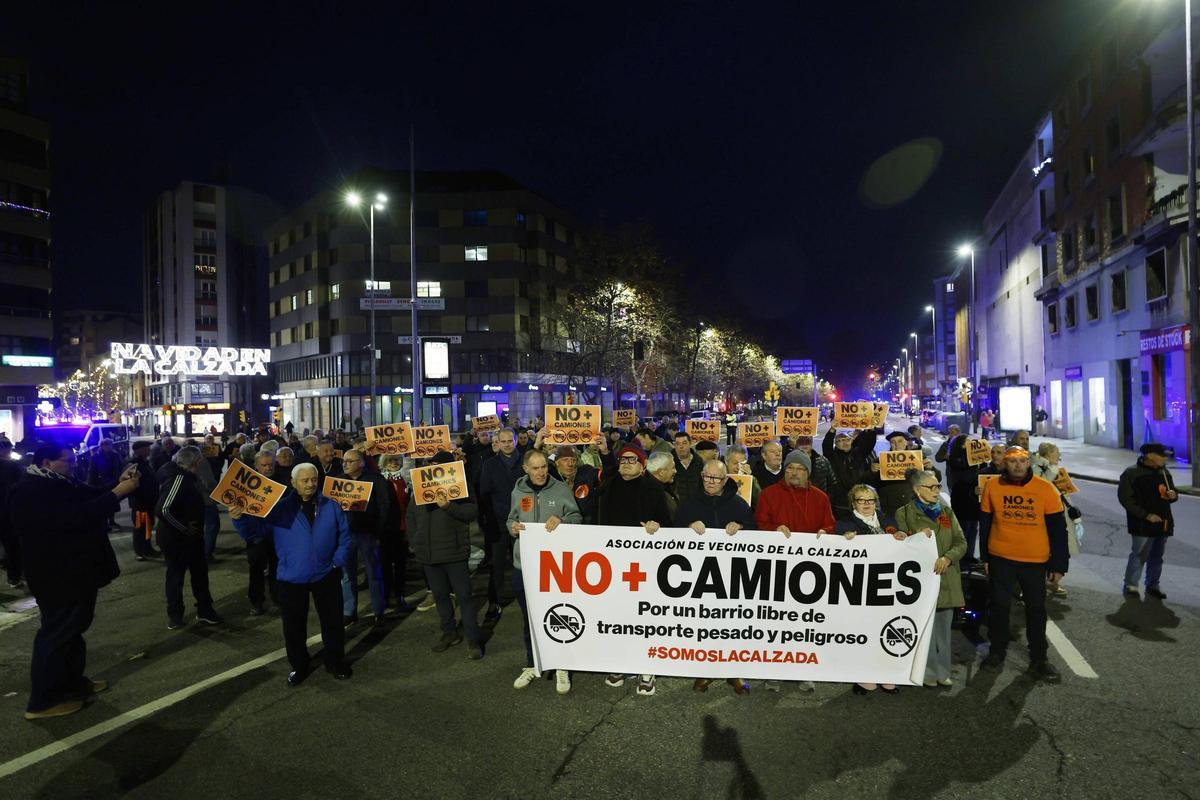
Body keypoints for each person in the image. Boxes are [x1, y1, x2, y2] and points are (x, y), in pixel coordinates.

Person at [8, 445, 140, 719]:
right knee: (56, 634)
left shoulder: (60, 482)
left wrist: (118, 483)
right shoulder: (29, 491)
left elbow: (90, 495)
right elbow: (73, 518)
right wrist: (117, 493)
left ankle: (71, 683)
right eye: (67, 461)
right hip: (57, 574)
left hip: (77, 571)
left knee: (74, 630)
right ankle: (43, 701)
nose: (73, 465)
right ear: (47, 462)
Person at [229, 462, 353, 686]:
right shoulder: (279, 509)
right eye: (304, 480)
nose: (310, 484)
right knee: (294, 626)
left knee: (333, 622)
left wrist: (337, 563)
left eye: (314, 479)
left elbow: (345, 537)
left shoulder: (331, 506)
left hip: (326, 574)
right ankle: (299, 666)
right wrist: (239, 519)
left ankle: (335, 661)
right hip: (292, 577)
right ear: (293, 483)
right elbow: (255, 533)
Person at [979, 446, 1069, 683]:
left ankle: (1039, 658)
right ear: (1004, 464)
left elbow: (1058, 530)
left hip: (1034, 561)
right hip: (1001, 558)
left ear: (1029, 462)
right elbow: (985, 524)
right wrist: (985, 558)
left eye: (1022, 461)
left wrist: (1059, 565)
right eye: (1012, 461)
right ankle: (997, 652)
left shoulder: (1045, 489)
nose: (1017, 465)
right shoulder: (992, 487)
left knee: (1036, 610)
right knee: (999, 607)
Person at [596, 443, 673, 697]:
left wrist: (656, 524)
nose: (626, 463)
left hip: (645, 565)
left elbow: (669, 525)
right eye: (623, 459)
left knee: (644, 617)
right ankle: (620, 662)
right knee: (619, 616)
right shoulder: (608, 486)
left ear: (642, 466)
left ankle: (646, 668)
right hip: (615, 562)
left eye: (632, 460)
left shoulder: (653, 489)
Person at [675, 459, 755, 695]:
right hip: (698, 576)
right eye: (707, 477)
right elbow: (672, 532)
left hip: (732, 576)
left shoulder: (739, 505)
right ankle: (704, 671)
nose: (711, 482)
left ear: (725, 480)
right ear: (701, 476)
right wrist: (688, 525)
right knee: (704, 625)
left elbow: (757, 533)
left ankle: (734, 673)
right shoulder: (689, 503)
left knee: (732, 625)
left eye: (717, 478)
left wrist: (741, 527)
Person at [508, 449, 581, 694]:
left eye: (544, 467)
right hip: (524, 565)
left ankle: (561, 666)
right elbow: (510, 519)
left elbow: (577, 518)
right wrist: (513, 528)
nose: (541, 472)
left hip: (554, 566)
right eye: (536, 468)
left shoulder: (560, 489)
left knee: (558, 616)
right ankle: (532, 663)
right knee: (529, 618)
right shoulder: (518, 491)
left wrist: (562, 521)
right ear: (526, 469)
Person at [407, 451, 484, 659]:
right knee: (441, 597)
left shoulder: (461, 486)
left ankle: (472, 639)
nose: (433, 467)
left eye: (437, 464)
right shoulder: (420, 488)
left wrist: (449, 506)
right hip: (429, 555)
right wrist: (416, 541)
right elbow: (411, 516)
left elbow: (471, 513)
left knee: (464, 598)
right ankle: (449, 633)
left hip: (454, 552)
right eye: (431, 464)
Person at [894, 471, 966, 688]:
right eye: (932, 487)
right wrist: (914, 537)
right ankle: (926, 671)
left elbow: (961, 542)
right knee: (923, 629)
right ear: (917, 490)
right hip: (919, 581)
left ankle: (943, 671)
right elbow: (901, 545)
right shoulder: (903, 513)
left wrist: (948, 558)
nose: (937, 491)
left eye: (938, 486)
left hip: (946, 579)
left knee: (943, 631)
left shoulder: (946, 511)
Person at [835, 483, 905, 695]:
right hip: (861, 587)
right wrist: (842, 541)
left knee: (886, 630)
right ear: (853, 503)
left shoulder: (888, 521)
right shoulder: (844, 525)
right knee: (863, 631)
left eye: (870, 500)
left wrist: (903, 536)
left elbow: (904, 542)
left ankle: (887, 675)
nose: (866, 504)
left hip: (888, 584)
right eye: (861, 500)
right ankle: (865, 676)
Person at [157, 446, 223, 629]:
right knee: (176, 578)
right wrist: (184, 528)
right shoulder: (179, 479)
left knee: (200, 574)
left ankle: (204, 610)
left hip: (192, 537)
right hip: (177, 540)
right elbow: (163, 510)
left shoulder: (185, 477)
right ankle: (176, 615)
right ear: (196, 462)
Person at [337, 448, 391, 625]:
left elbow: (385, 506)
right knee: (346, 574)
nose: (345, 464)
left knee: (373, 572)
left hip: (368, 532)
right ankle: (349, 611)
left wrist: (379, 530)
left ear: (360, 463)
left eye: (349, 461)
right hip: (345, 534)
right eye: (344, 461)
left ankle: (378, 609)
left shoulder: (375, 479)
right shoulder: (339, 481)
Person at [1117, 443, 1177, 599]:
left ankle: (1153, 585)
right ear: (1150, 456)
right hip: (1142, 523)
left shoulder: (1164, 472)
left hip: (1162, 521)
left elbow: (1172, 492)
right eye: (1162, 455)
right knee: (1139, 554)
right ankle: (1131, 585)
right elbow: (1126, 499)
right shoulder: (1132, 473)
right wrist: (1146, 515)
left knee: (1157, 556)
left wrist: (1173, 495)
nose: (1165, 458)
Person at [479, 428, 524, 623]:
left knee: (524, 564)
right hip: (498, 524)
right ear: (497, 442)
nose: (507, 444)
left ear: (515, 441)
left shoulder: (525, 462)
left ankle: (527, 599)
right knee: (497, 565)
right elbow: (484, 494)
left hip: (523, 523)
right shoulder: (489, 465)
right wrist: (486, 521)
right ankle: (495, 601)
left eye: (510, 440)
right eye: (503, 441)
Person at [1032, 442, 1080, 597]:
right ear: (1049, 454)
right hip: (1049, 515)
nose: (1059, 455)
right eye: (1057, 451)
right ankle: (1048, 581)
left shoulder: (1054, 469)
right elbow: (1042, 488)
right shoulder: (1039, 469)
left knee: (1060, 548)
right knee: (1051, 549)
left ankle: (1053, 582)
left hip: (1062, 512)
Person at [755, 450, 836, 538]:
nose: (794, 473)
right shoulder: (767, 495)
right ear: (785, 470)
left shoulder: (821, 498)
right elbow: (760, 524)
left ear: (808, 472)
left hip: (810, 548)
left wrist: (825, 531)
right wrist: (774, 529)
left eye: (800, 468)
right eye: (790, 468)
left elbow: (830, 525)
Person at [243, 451, 280, 615]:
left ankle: (277, 599)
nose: (268, 468)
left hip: (277, 534)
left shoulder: (282, 482)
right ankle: (256, 602)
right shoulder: (247, 484)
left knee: (276, 568)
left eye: (270, 464)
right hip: (256, 534)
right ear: (256, 466)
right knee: (256, 569)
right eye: (264, 465)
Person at [376, 453, 413, 612]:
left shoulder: (406, 479)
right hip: (385, 528)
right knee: (384, 564)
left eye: (396, 460)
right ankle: (385, 596)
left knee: (400, 564)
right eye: (390, 460)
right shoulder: (379, 479)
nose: (393, 463)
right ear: (384, 462)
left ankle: (399, 595)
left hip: (402, 527)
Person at [821, 427, 875, 520]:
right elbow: (826, 445)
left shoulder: (858, 454)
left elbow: (869, 444)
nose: (845, 442)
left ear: (851, 441)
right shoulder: (832, 456)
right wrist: (832, 430)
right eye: (840, 441)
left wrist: (871, 430)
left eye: (847, 440)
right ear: (835, 444)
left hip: (859, 500)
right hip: (840, 504)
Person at [124, 440, 160, 561]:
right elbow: (132, 485)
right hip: (140, 504)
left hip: (148, 503)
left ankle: (148, 548)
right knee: (140, 528)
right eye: (146, 448)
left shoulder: (144, 462)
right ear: (139, 450)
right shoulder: (133, 465)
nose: (149, 450)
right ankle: (140, 551)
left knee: (148, 526)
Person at [549, 444, 600, 524]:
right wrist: (535, 446)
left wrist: (605, 453)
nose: (570, 464)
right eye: (565, 460)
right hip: (560, 526)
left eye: (573, 460)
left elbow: (606, 476)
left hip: (587, 526)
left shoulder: (586, 472)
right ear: (557, 462)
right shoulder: (551, 476)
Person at [1, 438, 27, 587]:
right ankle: (14, 577)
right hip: (8, 511)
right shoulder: (13, 467)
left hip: (6, 511)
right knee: (13, 546)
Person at [87, 438, 124, 530]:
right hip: (101, 485)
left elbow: (120, 467)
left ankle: (112, 521)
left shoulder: (115, 455)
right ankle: (105, 523)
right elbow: (92, 472)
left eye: (110, 445)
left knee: (113, 504)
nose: (109, 447)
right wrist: (91, 486)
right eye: (107, 445)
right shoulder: (96, 456)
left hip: (113, 483)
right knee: (103, 505)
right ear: (102, 446)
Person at [672, 431, 704, 505]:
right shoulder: (669, 462)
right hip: (677, 506)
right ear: (674, 445)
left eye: (684, 443)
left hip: (697, 505)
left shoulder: (698, 461)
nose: (681, 447)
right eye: (677, 444)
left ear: (690, 444)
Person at [646, 451, 680, 519]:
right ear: (661, 472)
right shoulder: (649, 492)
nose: (675, 471)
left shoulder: (667, 486)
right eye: (673, 468)